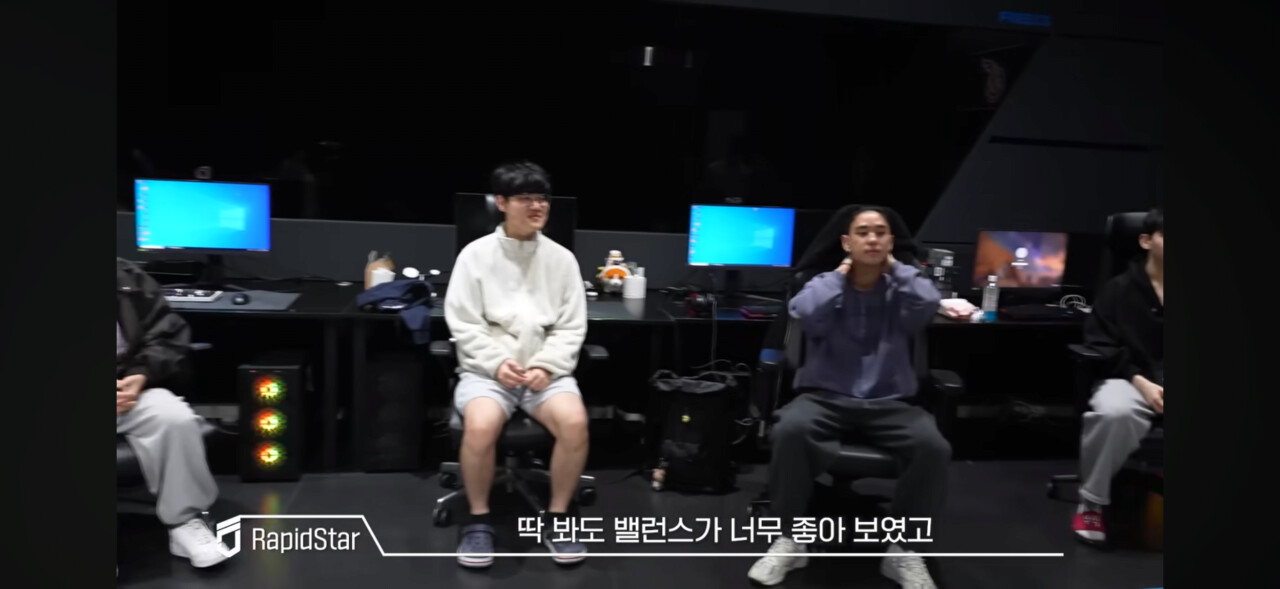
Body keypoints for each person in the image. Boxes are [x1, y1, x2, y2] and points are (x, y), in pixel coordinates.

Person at [747, 207, 947, 589]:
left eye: (880, 233)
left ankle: (903, 550)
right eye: (862, 232)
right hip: (826, 399)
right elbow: (802, 310)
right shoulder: (826, 284)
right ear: (845, 241)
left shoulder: (902, 290)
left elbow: (928, 302)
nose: (872, 239)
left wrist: (897, 267)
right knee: (789, 430)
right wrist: (841, 274)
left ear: (891, 242)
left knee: (933, 446)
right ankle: (790, 539)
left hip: (890, 403)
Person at [444, 161, 591, 568]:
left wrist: (547, 364)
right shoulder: (475, 256)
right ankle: (477, 521)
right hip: (488, 372)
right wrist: (496, 363)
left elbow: (571, 326)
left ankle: (558, 519)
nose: (537, 206)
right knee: (480, 426)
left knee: (575, 423)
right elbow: (464, 323)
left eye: (542, 198)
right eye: (526, 198)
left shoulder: (562, 260)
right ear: (502, 203)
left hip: (545, 372)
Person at [116, 258, 229, 572]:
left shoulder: (126, 278)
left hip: (126, 389)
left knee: (174, 418)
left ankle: (183, 522)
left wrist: (140, 375)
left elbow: (166, 334)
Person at [1072, 207, 1164, 545]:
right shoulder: (1119, 289)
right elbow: (1101, 345)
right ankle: (1092, 503)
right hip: (1129, 379)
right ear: (1145, 241)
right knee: (1115, 412)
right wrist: (1141, 381)